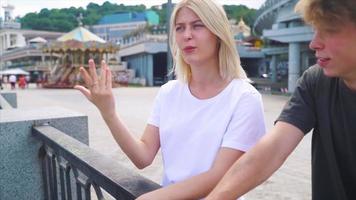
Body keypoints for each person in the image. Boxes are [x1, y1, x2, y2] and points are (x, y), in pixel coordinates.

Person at [75, 0, 266, 199]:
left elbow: (220, 176)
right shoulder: (169, 93)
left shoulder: (245, 98)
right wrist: (109, 113)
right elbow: (143, 156)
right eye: (179, 28)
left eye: (198, 25)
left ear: (218, 34)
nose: (187, 35)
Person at [206, 0, 356, 199]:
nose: (314, 43)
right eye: (314, 30)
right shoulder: (316, 81)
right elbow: (272, 149)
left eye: (329, 30)